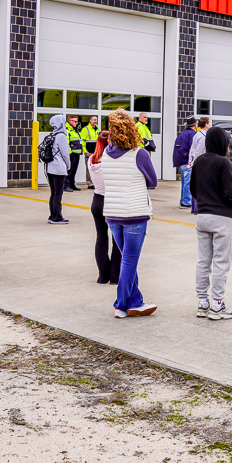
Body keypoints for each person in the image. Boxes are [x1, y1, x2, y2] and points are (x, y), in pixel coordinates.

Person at [102, 109, 159, 317]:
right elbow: (152, 182)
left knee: (128, 260)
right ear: (132, 128)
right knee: (129, 261)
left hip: (112, 214)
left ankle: (136, 301)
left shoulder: (105, 154)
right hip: (134, 214)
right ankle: (120, 305)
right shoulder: (139, 154)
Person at [190, 126, 232, 320]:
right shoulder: (223, 162)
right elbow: (229, 192)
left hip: (202, 216)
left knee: (203, 260)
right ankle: (217, 305)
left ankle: (203, 302)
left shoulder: (199, 160)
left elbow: (193, 189)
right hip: (221, 217)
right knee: (221, 261)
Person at [87, 131, 121, 284]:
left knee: (101, 237)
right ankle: (115, 276)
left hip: (97, 200)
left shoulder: (92, 160)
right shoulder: (111, 161)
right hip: (112, 200)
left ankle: (102, 276)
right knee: (117, 240)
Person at [44, 115, 71, 225]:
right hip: (58, 168)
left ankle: (52, 215)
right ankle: (57, 217)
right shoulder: (61, 136)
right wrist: (68, 165)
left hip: (49, 168)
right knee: (58, 194)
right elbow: (65, 153)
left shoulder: (52, 135)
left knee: (53, 193)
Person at [173, 117, 198, 210]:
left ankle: (183, 200)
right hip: (188, 162)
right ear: (195, 125)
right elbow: (193, 149)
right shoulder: (193, 134)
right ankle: (186, 202)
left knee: (184, 182)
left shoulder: (182, 134)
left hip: (181, 161)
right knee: (188, 182)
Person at [187, 117, 211, 214]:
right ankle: (197, 207)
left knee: (196, 185)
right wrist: (193, 162)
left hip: (196, 162)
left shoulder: (197, 134)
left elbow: (192, 149)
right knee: (201, 186)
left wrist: (190, 160)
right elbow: (198, 151)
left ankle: (195, 207)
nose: (210, 125)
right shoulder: (203, 137)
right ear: (206, 124)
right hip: (201, 163)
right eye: (209, 123)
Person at [80, 115, 101, 190]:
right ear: (90, 120)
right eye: (94, 120)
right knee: (89, 169)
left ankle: (95, 183)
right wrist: (85, 151)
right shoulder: (85, 129)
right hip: (89, 153)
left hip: (96, 152)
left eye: (96, 120)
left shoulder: (97, 129)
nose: (96, 121)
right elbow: (82, 142)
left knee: (97, 168)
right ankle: (90, 183)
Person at [65, 115, 84, 191]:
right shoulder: (67, 130)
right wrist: (69, 152)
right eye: (75, 121)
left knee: (74, 170)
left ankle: (72, 184)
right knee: (69, 171)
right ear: (70, 121)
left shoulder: (75, 130)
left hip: (77, 153)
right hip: (71, 153)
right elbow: (66, 142)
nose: (77, 123)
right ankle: (66, 185)